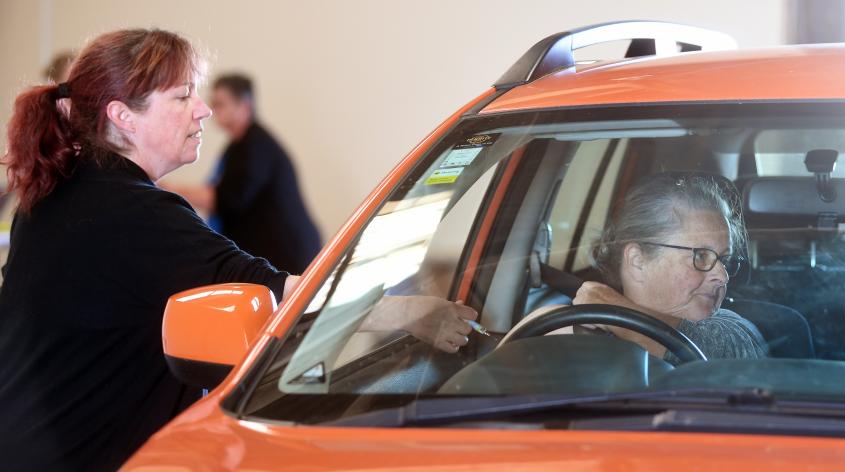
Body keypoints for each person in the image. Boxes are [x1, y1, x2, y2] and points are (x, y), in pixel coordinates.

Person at [0, 29, 475, 471]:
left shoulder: (59, 193)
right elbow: (273, 295)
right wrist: (409, 312)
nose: (202, 110)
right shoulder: (132, 211)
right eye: (182, 96)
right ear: (123, 116)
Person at [519, 174, 766, 364]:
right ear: (637, 260)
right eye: (700, 255)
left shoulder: (735, 330)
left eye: (725, 259)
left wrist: (614, 311)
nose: (722, 275)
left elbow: (722, 356)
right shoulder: (553, 330)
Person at [163, 74, 320, 274]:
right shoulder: (238, 146)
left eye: (220, 104)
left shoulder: (256, 147)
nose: (210, 110)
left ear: (244, 107)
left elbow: (227, 198)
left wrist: (167, 190)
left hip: (286, 258)